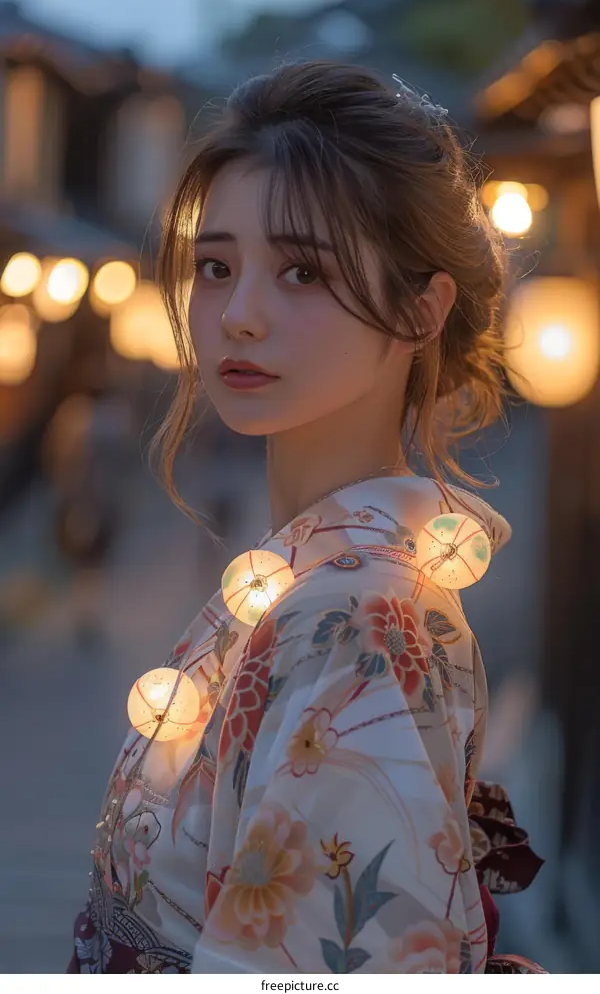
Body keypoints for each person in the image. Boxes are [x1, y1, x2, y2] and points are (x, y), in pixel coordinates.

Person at [68, 61, 546, 974]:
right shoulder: (308, 584)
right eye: (215, 266)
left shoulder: (360, 617)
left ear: (419, 309)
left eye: (300, 271)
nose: (238, 316)